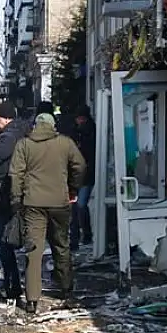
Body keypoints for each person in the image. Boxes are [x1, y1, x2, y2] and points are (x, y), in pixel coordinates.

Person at [10, 112, 86, 314]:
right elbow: (80, 166)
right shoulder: (65, 143)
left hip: (33, 203)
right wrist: (73, 188)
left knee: (33, 251)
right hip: (60, 202)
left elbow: (15, 174)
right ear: (54, 125)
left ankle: (32, 300)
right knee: (61, 245)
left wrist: (17, 200)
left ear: (35, 125)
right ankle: (67, 291)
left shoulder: (24, 144)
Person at [0, 102, 31, 304]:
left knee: (4, 240)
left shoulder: (10, 136)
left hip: (5, 192)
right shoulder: (20, 133)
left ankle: (12, 286)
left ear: (5, 118)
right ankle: (15, 284)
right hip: (14, 191)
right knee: (11, 238)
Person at [69, 105, 97, 252]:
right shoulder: (75, 132)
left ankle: (85, 234)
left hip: (85, 175)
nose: (79, 121)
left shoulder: (91, 132)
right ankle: (77, 237)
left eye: (82, 118)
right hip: (77, 175)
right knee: (75, 206)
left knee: (79, 205)